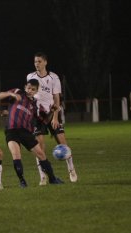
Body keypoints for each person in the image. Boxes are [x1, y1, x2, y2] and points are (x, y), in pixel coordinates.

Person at [0, 79, 64, 188]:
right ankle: (22, 181)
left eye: (33, 89)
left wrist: (52, 111)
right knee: (16, 155)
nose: (30, 90)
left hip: (26, 132)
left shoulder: (35, 105)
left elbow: (44, 122)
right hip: (11, 130)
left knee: (41, 154)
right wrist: (11, 94)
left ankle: (52, 179)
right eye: (28, 88)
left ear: (37, 91)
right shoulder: (18, 92)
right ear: (25, 87)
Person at [27, 52, 77, 185]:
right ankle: (42, 176)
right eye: (35, 62)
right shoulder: (30, 76)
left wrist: (55, 117)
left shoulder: (53, 77)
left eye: (39, 61)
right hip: (37, 116)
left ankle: (71, 169)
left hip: (52, 113)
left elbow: (57, 99)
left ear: (45, 62)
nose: (37, 64)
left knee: (63, 143)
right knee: (39, 148)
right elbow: (29, 94)